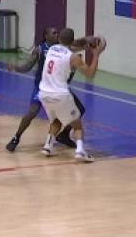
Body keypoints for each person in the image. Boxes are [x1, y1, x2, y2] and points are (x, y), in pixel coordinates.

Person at [38, 29, 105, 162]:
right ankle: (80, 151)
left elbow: (71, 45)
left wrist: (86, 43)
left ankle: (48, 146)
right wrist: (96, 54)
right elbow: (90, 74)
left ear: (59, 39)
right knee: (77, 125)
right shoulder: (72, 57)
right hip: (60, 95)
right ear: (72, 40)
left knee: (56, 120)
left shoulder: (51, 49)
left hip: (43, 94)